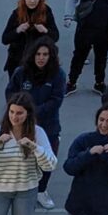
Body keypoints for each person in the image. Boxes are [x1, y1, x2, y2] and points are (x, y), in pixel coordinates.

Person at [6, 38, 67, 206]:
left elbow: (56, 100)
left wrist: (31, 112)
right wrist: (19, 112)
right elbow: (10, 93)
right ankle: (18, 188)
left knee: (47, 159)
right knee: (18, 157)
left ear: (51, 56)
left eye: (45, 54)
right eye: (38, 54)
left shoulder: (58, 75)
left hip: (48, 126)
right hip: (20, 125)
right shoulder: (21, 72)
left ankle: (41, 190)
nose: (41, 58)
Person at [0, 0, 59, 78]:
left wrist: (45, 30)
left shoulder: (46, 12)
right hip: (17, 60)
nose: (32, 1)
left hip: (38, 61)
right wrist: (18, 30)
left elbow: (55, 36)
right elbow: (5, 39)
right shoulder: (17, 13)